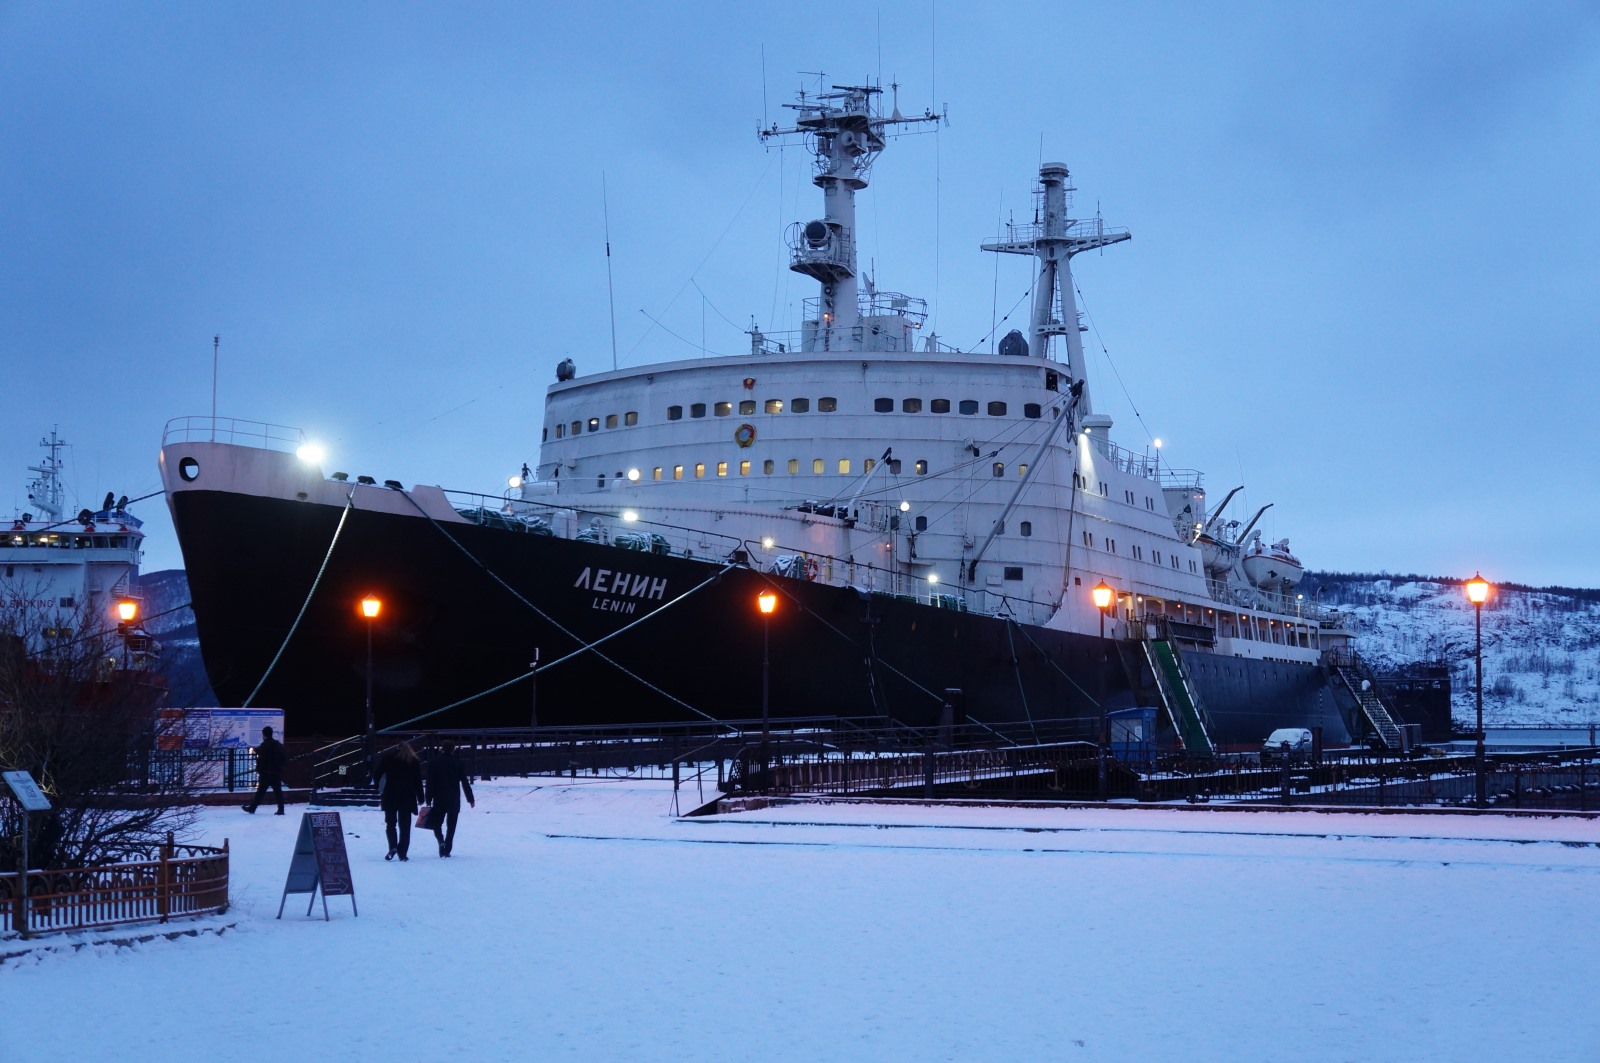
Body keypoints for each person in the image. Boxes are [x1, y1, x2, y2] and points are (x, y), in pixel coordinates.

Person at [373, 740, 424, 861]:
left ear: (397, 748)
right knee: (405, 826)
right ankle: (403, 852)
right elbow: (418, 781)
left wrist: (377, 786)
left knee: (390, 823)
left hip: (390, 795)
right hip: (407, 796)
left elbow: (377, 773)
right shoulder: (413, 761)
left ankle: (392, 847)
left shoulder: (388, 758)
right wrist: (421, 797)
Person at [425, 740, 475, 857]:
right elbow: (464, 782)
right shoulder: (458, 763)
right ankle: (447, 848)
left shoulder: (434, 763)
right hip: (454, 798)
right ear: (453, 749)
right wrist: (470, 798)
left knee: (437, 823)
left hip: (439, 797)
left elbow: (430, 782)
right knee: (451, 825)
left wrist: (428, 798)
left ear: (442, 748)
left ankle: (441, 841)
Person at [242, 725, 286, 815]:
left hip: (266, 773)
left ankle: (252, 808)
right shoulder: (277, 744)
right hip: (276, 772)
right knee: (278, 792)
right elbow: (284, 756)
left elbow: (262, 754)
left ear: (264, 735)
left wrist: (254, 750)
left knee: (260, 792)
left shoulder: (265, 745)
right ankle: (281, 809)